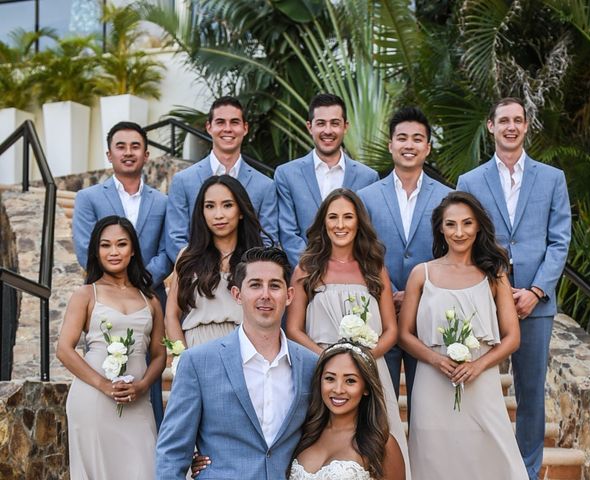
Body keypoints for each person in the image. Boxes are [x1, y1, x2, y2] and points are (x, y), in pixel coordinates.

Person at [457, 97, 571, 479]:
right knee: (476, 388)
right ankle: (481, 467)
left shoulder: (552, 178)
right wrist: (495, 290)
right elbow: (463, 241)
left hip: (535, 305)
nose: (511, 126)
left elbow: (559, 241)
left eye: (517, 120)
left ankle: (527, 470)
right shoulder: (470, 182)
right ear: (490, 126)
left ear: (525, 126)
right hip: (484, 301)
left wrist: (537, 290)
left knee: (531, 393)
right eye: (503, 120)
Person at [155, 247, 318, 479]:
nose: (265, 295)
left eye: (274, 285)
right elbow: (171, 454)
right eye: (254, 285)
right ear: (237, 294)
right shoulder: (198, 362)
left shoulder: (311, 365)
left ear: (289, 295)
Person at [398, 191, 528, 479]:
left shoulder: (495, 274)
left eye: (467, 224)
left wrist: (478, 365)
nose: (459, 232)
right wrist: (435, 359)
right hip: (433, 382)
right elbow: (404, 334)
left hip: (481, 382)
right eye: (451, 224)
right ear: (440, 229)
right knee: (434, 457)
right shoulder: (422, 274)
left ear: (478, 226)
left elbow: (512, 337)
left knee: (492, 456)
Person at [286, 188, 411, 479]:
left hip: (367, 369)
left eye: (347, 217)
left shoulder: (374, 268)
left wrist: (361, 360)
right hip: (321, 370)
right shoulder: (307, 268)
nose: (340, 225)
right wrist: (330, 360)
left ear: (359, 223)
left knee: (378, 442)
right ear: (323, 223)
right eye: (333, 217)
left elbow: (391, 330)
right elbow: (293, 328)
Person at [72, 122, 169, 428]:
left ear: (147, 154)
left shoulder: (162, 202)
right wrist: (119, 285)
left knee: (148, 374)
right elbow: (83, 249)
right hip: (106, 300)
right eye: (121, 146)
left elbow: (167, 252)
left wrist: (137, 282)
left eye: (135, 146)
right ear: (109, 154)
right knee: (106, 361)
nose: (128, 152)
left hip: (150, 295)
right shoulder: (88, 198)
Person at [57, 216, 166, 479]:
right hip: (93, 400)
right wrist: (104, 384)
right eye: (106, 245)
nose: (114, 252)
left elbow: (160, 354)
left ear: (133, 250)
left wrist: (142, 387)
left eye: (121, 244)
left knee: (144, 469)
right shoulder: (86, 294)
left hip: (137, 402)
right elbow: (64, 349)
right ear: (96, 251)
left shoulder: (150, 299)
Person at [358, 107, 451, 405]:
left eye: (417, 139)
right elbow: (360, 253)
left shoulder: (446, 197)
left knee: (427, 403)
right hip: (378, 315)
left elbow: (451, 254)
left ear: (428, 147)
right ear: (390, 145)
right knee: (378, 401)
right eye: (402, 138)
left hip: (428, 314)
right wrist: (388, 294)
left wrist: (413, 294)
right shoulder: (366, 196)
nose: (408, 145)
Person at [165, 96, 278, 262]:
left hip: (246, 279)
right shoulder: (183, 181)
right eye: (220, 122)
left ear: (245, 128)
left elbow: (268, 240)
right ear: (209, 127)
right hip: (198, 277)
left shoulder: (265, 185)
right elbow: (176, 239)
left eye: (234, 122)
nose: (227, 129)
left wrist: (243, 274)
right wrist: (203, 272)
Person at [275, 93, 379, 267]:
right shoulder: (286, 174)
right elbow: (288, 234)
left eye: (335, 123)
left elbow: (367, 234)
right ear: (310, 127)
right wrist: (314, 269)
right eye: (321, 123)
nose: (328, 131)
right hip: (304, 275)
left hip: (353, 276)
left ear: (345, 127)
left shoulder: (368, 177)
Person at [164, 175, 264, 348]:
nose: (218, 215)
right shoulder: (188, 255)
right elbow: (171, 315)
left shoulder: (258, 258)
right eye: (210, 206)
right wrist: (182, 358)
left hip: (245, 347)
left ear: (241, 211)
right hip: (196, 347)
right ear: (202, 212)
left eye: (227, 205)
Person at [289, 341, 405, 479]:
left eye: (350, 381)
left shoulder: (381, 443)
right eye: (330, 378)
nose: (338, 389)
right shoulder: (304, 433)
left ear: (366, 387)